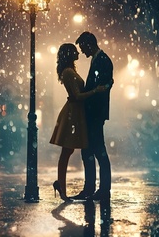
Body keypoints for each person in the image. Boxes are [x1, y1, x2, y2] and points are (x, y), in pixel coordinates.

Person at [50, 43, 107, 202]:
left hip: (75, 114)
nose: (78, 52)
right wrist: (96, 90)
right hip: (73, 114)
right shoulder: (68, 72)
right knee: (66, 152)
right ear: (69, 54)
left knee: (67, 152)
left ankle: (61, 186)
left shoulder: (70, 71)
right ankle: (61, 189)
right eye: (74, 51)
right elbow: (76, 96)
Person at [70, 31, 114, 201]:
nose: (81, 51)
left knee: (97, 151)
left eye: (83, 47)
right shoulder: (101, 60)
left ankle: (99, 189)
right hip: (94, 113)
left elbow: (103, 86)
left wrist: (83, 95)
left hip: (94, 114)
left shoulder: (102, 60)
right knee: (90, 150)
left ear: (90, 44)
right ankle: (94, 189)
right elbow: (105, 85)